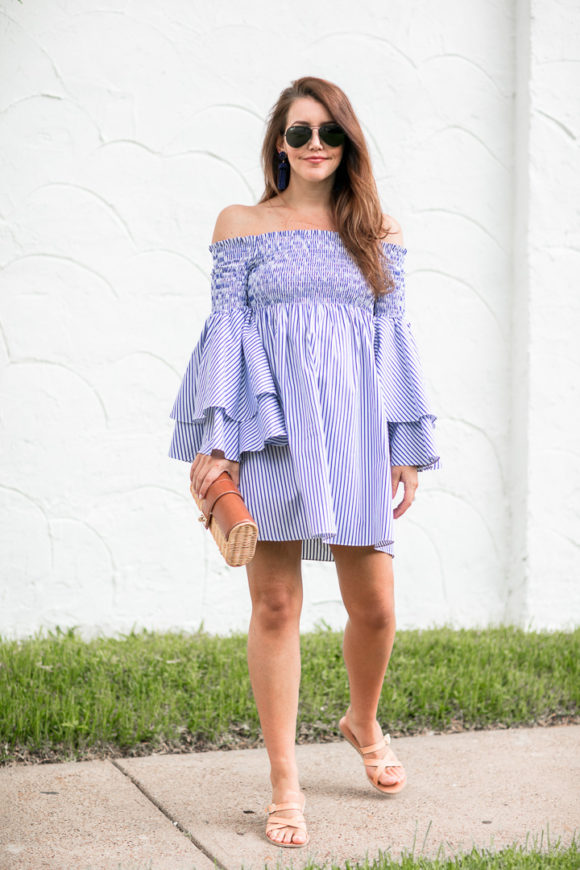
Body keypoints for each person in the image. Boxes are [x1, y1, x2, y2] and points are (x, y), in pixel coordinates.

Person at [168, 76, 440, 849]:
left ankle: (361, 718)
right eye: (299, 133)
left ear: (347, 144)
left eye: (330, 133)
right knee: (277, 605)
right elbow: (225, 332)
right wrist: (219, 440)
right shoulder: (241, 224)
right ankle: (285, 783)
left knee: (377, 607)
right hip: (273, 432)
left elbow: (394, 341)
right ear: (278, 145)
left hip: (355, 435)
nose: (315, 144)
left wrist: (404, 446)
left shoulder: (378, 232)